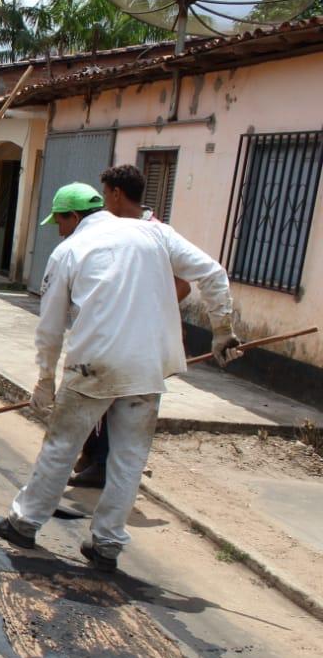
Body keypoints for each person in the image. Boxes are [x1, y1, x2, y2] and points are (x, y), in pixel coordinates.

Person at [0, 183, 242, 572]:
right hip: (149, 364)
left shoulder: (69, 251)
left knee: (62, 445)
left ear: (74, 217)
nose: (59, 230)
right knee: (129, 458)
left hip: (96, 363)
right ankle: (106, 544)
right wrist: (223, 328)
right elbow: (213, 273)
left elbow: (50, 327)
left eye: (60, 221)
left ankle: (24, 522)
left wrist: (44, 379)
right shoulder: (154, 232)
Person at [70, 164, 192, 489]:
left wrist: (144, 309)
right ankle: (92, 455)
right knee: (98, 391)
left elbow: (182, 285)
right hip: (113, 334)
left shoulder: (155, 233)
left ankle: (104, 466)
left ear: (116, 194)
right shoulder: (115, 230)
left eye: (106, 195)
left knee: (119, 399)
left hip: (141, 340)